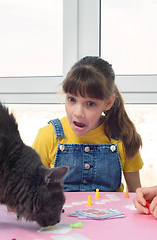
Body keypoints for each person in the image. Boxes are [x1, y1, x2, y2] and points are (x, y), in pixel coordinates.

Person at [32, 56, 143, 192]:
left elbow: (136, 196)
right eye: (72, 99)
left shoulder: (123, 137)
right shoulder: (48, 136)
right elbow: (27, 191)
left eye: (90, 103)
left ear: (108, 103)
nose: (78, 113)